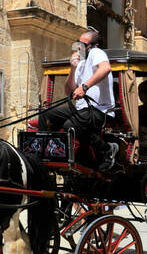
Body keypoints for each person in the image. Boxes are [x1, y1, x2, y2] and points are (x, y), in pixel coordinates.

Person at [41, 27, 117, 171]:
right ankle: (47, 153)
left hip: (100, 110)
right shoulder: (81, 63)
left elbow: (105, 68)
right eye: (78, 44)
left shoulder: (97, 52)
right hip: (81, 110)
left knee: (71, 125)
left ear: (93, 46)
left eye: (82, 45)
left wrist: (85, 87)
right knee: (46, 115)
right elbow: (68, 90)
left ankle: (107, 149)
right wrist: (73, 68)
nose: (79, 48)